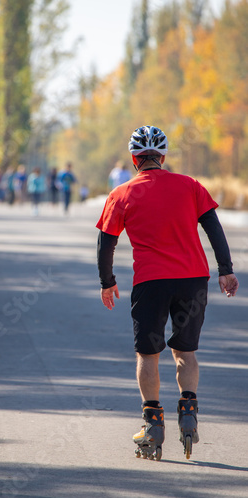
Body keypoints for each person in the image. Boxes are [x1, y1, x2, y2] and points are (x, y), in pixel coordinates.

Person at [96, 125, 239, 461]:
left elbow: (106, 242)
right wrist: (226, 270)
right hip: (193, 280)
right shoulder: (190, 186)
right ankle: (188, 411)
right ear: (162, 156)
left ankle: (152, 423)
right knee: (185, 350)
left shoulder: (122, 194)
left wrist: (107, 281)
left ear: (134, 159)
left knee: (148, 354)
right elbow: (213, 227)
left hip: (151, 283)